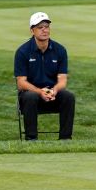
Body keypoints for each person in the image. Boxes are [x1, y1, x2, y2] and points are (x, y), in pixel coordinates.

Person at [14, 12, 75, 141]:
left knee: (68, 96)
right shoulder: (22, 51)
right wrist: (39, 91)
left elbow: (62, 80)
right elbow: (21, 83)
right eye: (40, 27)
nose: (44, 30)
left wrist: (54, 90)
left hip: (52, 94)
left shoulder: (60, 50)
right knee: (31, 96)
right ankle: (31, 139)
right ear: (32, 30)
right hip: (30, 95)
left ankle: (65, 139)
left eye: (46, 26)